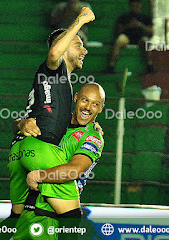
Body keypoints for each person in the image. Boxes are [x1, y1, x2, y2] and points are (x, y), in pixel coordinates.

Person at [0, 7, 95, 240]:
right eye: (78, 45)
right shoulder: (56, 71)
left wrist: (21, 124)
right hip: (40, 148)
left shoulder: (56, 83)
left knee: (15, 218)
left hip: (18, 150)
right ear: (65, 46)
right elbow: (55, 53)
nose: (84, 50)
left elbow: (31, 117)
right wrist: (80, 20)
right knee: (72, 217)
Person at [14, 83, 105, 240]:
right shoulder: (55, 121)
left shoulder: (93, 137)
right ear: (75, 98)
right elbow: (17, 127)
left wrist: (38, 176)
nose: (88, 107)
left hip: (54, 215)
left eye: (95, 104)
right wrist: (23, 123)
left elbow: (75, 170)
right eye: (85, 100)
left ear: (101, 108)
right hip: (28, 209)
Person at [106, 0, 153, 74]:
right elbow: (117, 32)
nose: (135, 7)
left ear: (140, 5)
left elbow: (151, 32)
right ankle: (111, 65)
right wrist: (128, 26)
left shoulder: (145, 17)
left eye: (136, 5)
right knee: (118, 41)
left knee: (146, 42)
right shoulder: (124, 17)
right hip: (127, 36)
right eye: (133, 5)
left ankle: (149, 65)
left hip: (141, 37)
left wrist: (140, 26)